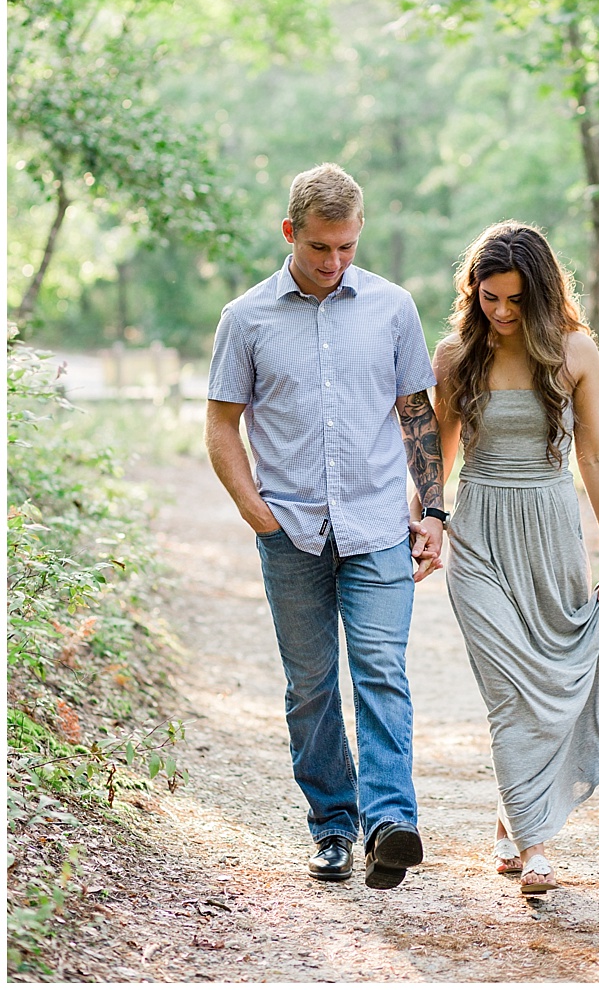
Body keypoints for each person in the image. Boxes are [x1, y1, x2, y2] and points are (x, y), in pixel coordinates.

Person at [206, 163, 446, 889]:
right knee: (309, 686)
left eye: (346, 246)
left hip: (377, 527)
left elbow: (417, 417)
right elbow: (221, 430)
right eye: (320, 249)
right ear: (290, 233)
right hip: (292, 536)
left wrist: (433, 510)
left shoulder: (394, 307)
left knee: (382, 671)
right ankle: (334, 828)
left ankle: (390, 822)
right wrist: (262, 517)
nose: (335, 262)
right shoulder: (244, 318)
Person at [424, 221, 599, 899]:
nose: (502, 313)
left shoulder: (574, 351)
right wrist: (427, 522)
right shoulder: (456, 356)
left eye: (514, 300)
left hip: (550, 534)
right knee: (509, 690)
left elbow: (594, 455)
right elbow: (438, 455)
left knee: (550, 681)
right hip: (478, 534)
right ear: (473, 292)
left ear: (540, 294)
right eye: (489, 299)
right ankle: (536, 847)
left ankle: (513, 817)